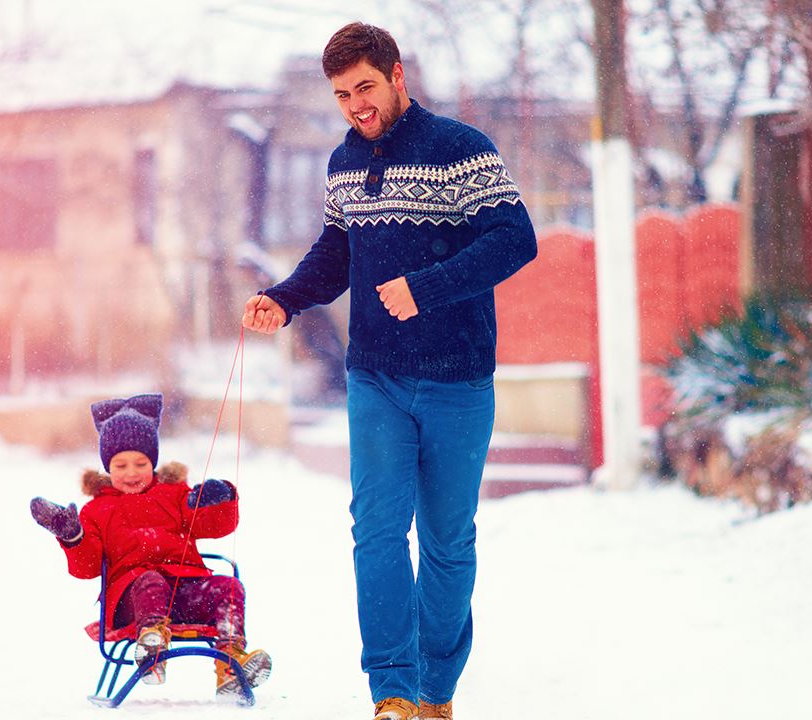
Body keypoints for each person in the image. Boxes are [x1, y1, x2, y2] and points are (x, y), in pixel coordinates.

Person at [241, 21, 536, 720]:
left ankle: (438, 690)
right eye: (343, 94)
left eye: (365, 87)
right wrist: (283, 300)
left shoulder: (461, 150)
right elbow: (335, 254)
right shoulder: (343, 163)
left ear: (397, 76)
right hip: (374, 376)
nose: (356, 105)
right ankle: (393, 691)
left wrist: (426, 285)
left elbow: (514, 239)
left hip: (458, 379)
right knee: (375, 532)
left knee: (446, 541)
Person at [29, 393, 271, 700]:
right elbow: (88, 568)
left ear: (153, 462)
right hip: (132, 601)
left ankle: (231, 663)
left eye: (141, 463)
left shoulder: (174, 494)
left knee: (228, 587)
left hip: (183, 589)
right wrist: (72, 535)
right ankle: (150, 646)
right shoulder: (97, 510)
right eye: (121, 465)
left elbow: (215, 526)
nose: (132, 473)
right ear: (107, 467)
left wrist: (217, 499)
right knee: (150, 580)